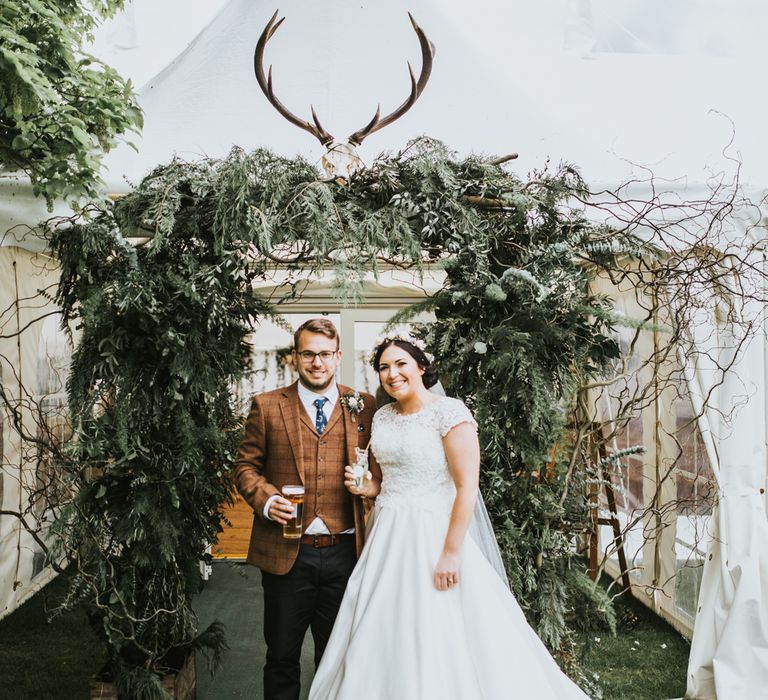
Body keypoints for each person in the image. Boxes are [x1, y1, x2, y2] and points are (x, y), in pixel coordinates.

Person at [308, 334, 591, 699]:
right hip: (386, 537)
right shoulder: (381, 417)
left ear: (421, 367)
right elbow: (386, 481)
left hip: (433, 537)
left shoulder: (450, 412)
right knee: (382, 626)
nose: (391, 374)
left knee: (438, 628)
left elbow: (466, 487)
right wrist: (367, 488)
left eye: (400, 364)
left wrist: (451, 553)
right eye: (383, 368)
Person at [234, 318, 378, 700]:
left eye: (325, 354)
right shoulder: (266, 406)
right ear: (294, 357)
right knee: (281, 656)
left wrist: (370, 487)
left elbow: (381, 470)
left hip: (346, 552)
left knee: (338, 658)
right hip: (286, 556)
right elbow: (245, 467)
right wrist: (266, 500)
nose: (317, 362)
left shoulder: (364, 406)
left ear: (338, 357)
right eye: (309, 354)